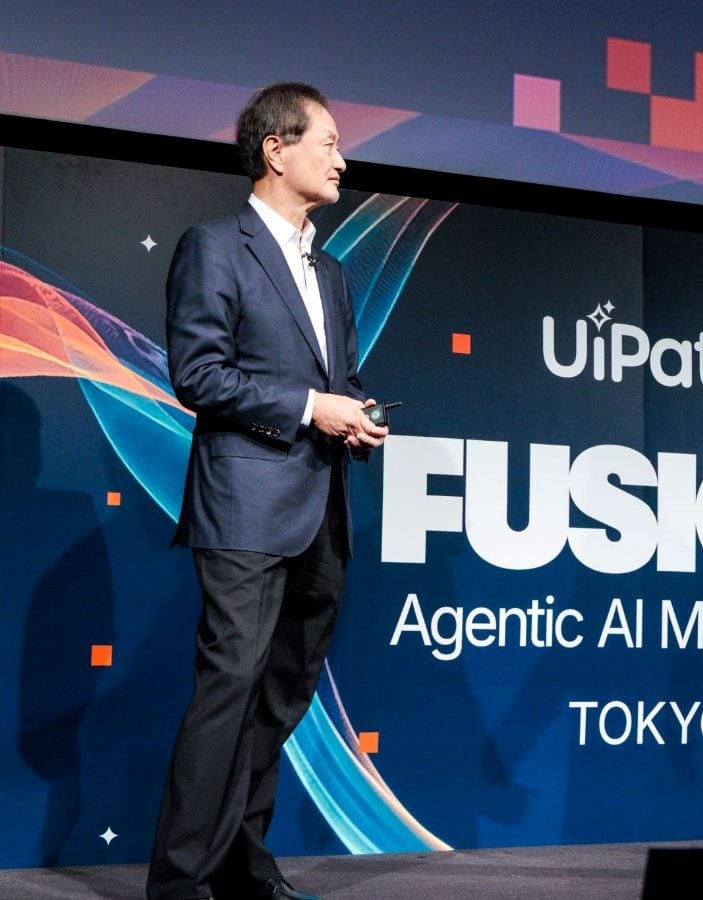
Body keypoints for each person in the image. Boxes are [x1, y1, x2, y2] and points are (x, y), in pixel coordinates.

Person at [147, 82, 388, 900]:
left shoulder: (336, 274)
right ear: (276, 150)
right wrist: (308, 408)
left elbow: (339, 379)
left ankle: (243, 869)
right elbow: (199, 375)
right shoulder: (215, 247)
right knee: (230, 688)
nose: (342, 158)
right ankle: (179, 882)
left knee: (282, 695)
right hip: (245, 509)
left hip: (322, 509)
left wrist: (351, 414)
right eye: (328, 142)